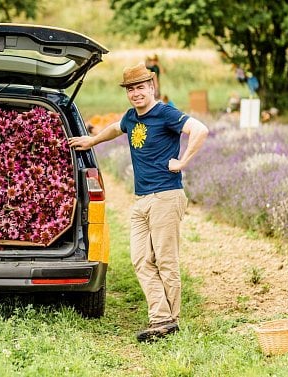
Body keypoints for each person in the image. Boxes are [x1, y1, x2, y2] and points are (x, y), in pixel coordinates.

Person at [68, 62, 209, 342]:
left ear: (152, 86)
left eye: (140, 87)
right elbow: (116, 128)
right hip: (142, 199)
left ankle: (168, 320)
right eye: (131, 89)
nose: (136, 93)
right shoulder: (132, 117)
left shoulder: (165, 113)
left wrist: (182, 162)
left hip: (166, 196)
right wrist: (92, 140)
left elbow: (200, 129)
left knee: (165, 260)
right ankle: (162, 318)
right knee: (141, 260)